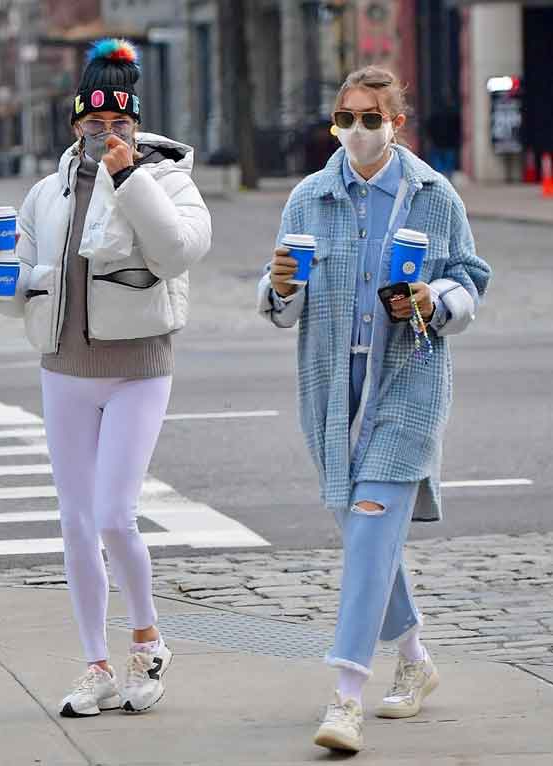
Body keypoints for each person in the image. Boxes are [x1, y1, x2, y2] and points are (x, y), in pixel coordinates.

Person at [257, 66, 491, 753]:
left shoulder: (434, 196)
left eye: (369, 118)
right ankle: (415, 661)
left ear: (396, 124)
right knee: (369, 537)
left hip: (409, 382)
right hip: (331, 388)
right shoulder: (308, 198)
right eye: (345, 118)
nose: (356, 130)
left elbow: (470, 281)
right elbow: (283, 305)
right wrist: (279, 287)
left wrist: (434, 300)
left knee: (366, 532)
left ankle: (346, 695)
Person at [0, 38, 211, 718]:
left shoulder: (168, 179)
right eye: (95, 123)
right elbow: (11, 298)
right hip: (65, 368)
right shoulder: (45, 193)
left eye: (120, 124)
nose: (106, 135)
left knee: (114, 514)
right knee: (77, 523)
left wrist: (130, 177)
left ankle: (147, 640)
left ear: (136, 124)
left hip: (139, 366)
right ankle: (96, 665)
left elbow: (177, 251)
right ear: (75, 122)